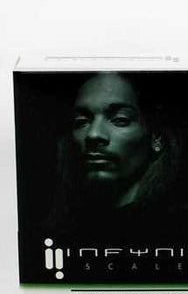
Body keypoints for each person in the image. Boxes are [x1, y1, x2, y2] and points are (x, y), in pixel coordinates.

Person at [50, 72, 181, 233]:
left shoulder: (179, 228)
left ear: (156, 138)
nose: (93, 134)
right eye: (81, 122)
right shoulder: (62, 229)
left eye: (120, 120)